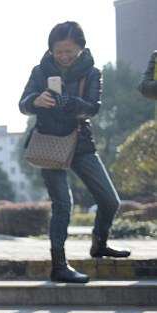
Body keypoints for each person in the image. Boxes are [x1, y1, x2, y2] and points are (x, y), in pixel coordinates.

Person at [19, 21, 130, 284]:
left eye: (69, 51)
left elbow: (93, 107)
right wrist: (35, 100)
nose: (64, 56)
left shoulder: (92, 72)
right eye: (58, 51)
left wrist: (69, 102)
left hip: (80, 141)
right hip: (49, 142)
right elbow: (23, 104)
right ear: (51, 50)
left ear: (80, 48)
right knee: (62, 204)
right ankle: (59, 265)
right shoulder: (40, 71)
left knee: (110, 200)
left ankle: (99, 244)